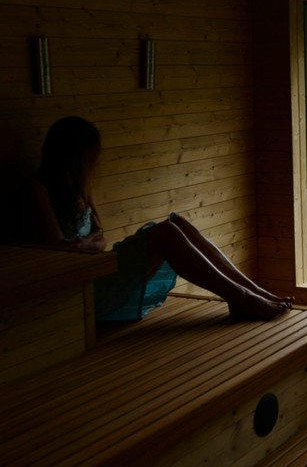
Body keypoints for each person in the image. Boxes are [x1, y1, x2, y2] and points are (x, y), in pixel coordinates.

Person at [28, 116, 292, 321]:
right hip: (81, 292)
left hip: (100, 266)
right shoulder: (40, 188)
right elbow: (57, 250)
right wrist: (86, 246)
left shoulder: (82, 186)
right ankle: (242, 298)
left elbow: (99, 237)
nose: (94, 162)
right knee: (165, 234)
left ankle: (254, 292)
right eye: (89, 155)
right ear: (72, 155)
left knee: (178, 224)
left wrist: (85, 245)